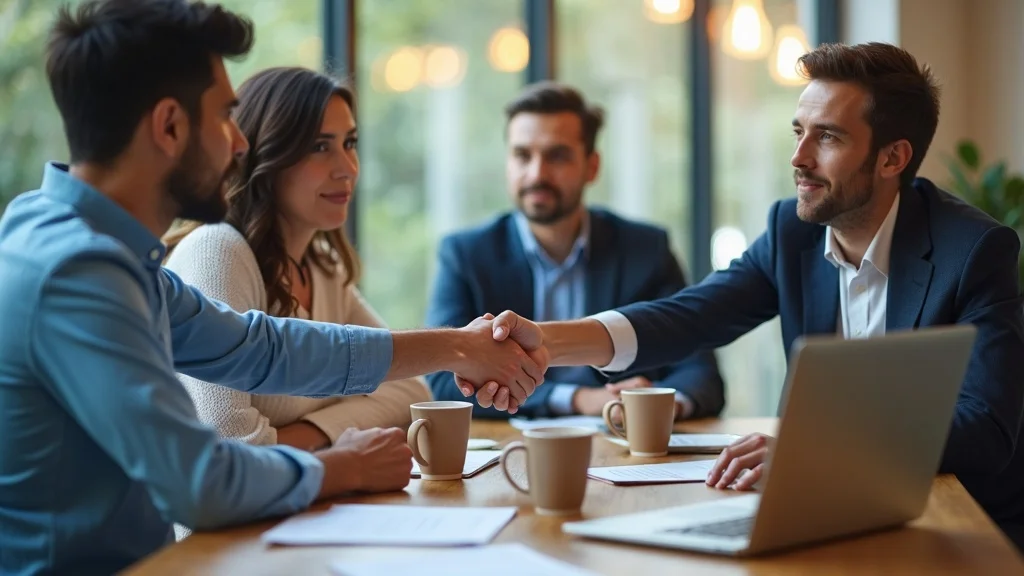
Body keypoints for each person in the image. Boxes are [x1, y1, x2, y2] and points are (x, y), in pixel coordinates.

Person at [0, 2, 543, 574]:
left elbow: (262, 348)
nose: (240, 144)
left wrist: (458, 347)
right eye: (224, 117)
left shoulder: (98, 250)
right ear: (169, 126)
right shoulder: (77, 274)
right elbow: (200, 480)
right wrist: (343, 466)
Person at [461, 42, 1024, 546]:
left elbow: (986, 428)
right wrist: (545, 342)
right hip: (820, 510)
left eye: (827, 136)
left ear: (892, 158)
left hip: (954, 522)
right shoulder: (791, 231)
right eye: (799, 132)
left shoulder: (973, 250)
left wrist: (813, 453)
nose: (799, 158)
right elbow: (690, 316)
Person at [164, 68, 432, 451]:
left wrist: (315, 434)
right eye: (319, 147)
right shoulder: (218, 251)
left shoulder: (323, 267)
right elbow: (231, 446)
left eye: (350, 143)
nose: (347, 168)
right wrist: (339, 444)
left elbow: (410, 389)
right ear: (266, 156)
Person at [426, 82, 724, 420]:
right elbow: (442, 379)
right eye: (522, 155)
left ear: (592, 166)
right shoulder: (466, 254)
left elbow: (700, 371)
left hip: (624, 439)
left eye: (557, 156)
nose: (537, 173)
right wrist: (578, 399)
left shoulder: (646, 250)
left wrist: (660, 404)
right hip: (514, 445)